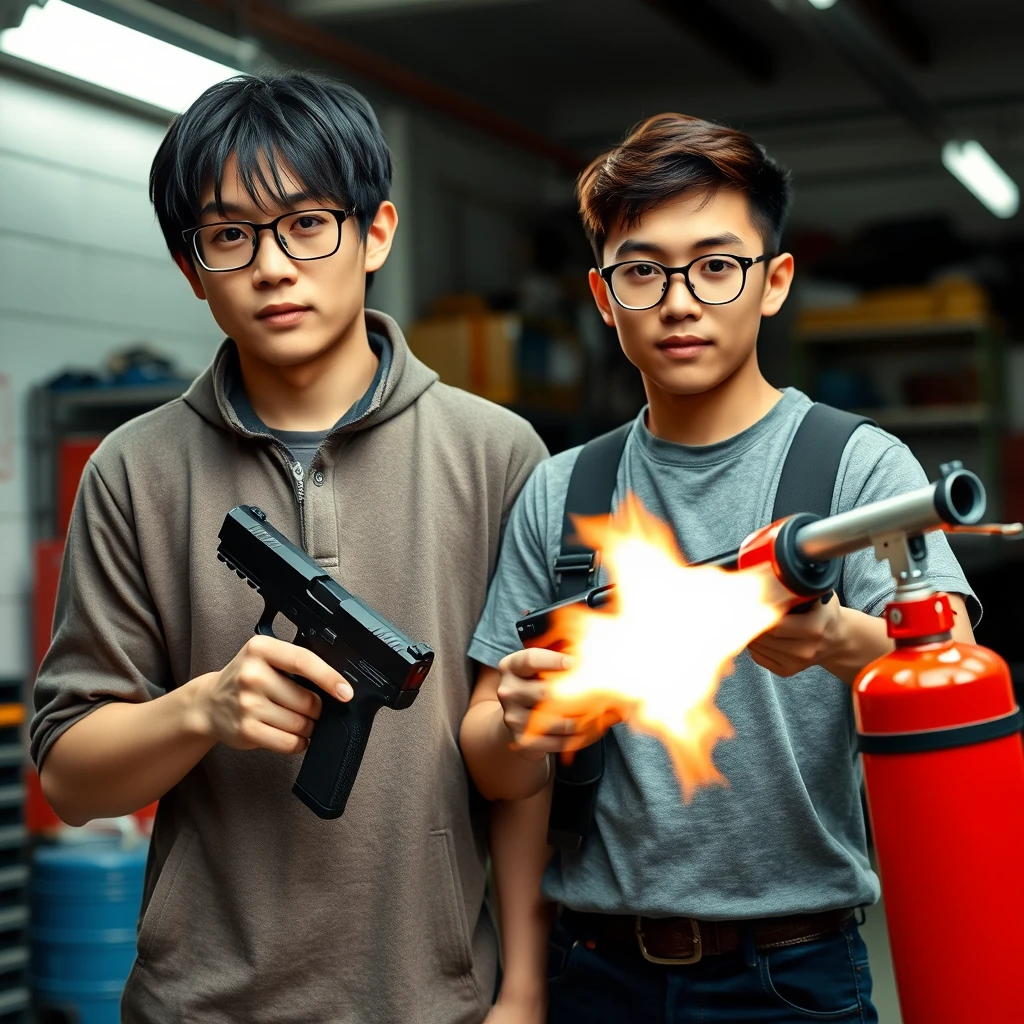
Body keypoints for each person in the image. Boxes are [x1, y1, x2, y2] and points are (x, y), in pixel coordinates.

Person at [30, 70, 548, 1024]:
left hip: (437, 1002)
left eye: (308, 223)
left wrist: (523, 991)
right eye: (230, 236)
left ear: (376, 233)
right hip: (200, 1004)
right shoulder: (131, 471)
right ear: (193, 271)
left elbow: (526, 763)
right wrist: (203, 710)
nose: (274, 266)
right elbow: (68, 777)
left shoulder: (499, 455)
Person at [460, 113, 980, 1023]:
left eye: (715, 264)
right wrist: (515, 728)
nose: (679, 299)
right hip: (597, 970)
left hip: (793, 971)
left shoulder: (857, 470)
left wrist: (832, 640)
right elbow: (494, 768)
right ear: (603, 295)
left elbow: (950, 682)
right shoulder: (560, 489)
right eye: (642, 271)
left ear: (773, 282)